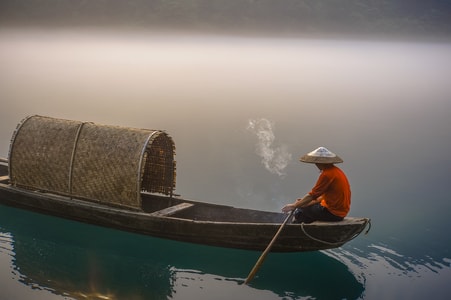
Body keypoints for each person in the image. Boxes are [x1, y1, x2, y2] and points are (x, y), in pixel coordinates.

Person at [282, 146, 351, 223]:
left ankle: (295, 228)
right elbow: (321, 197)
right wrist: (304, 202)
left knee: (301, 209)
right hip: (341, 213)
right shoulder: (336, 171)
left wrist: (294, 206)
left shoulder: (327, 174)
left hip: (333, 213)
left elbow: (312, 195)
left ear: (320, 163)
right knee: (305, 206)